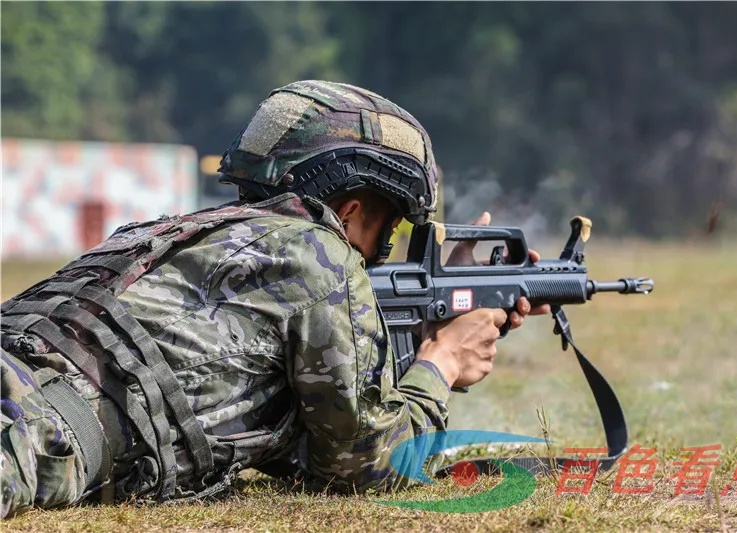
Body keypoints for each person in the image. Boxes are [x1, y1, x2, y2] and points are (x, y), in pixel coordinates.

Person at [0, 80, 547, 517]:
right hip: (24, 430)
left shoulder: (178, 232)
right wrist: (440, 364)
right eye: (387, 234)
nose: (378, 258)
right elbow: (364, 466)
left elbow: (280, 425)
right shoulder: (319, 253)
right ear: (351, 211)